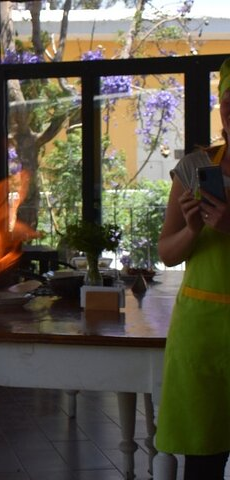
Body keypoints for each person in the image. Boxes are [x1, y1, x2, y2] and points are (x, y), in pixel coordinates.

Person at [155, 57, 230, 479]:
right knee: (202, 461)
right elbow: (167, 253)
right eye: (229, 101)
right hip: (200, 334)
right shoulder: (195, 169)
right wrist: (193, 228)